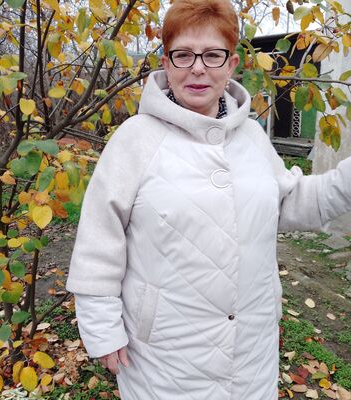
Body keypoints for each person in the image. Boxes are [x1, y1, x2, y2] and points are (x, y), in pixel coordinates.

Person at [66, 0, 351, 398]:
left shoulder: (251, 137)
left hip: (251, 352)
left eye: (213, 55)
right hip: (164, 360)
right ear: (166, 63)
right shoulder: (135, 139)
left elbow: (288, 203)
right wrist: (101, 327)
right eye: (183, 54)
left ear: (231, 64)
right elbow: (99, 240)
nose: (198, 68)